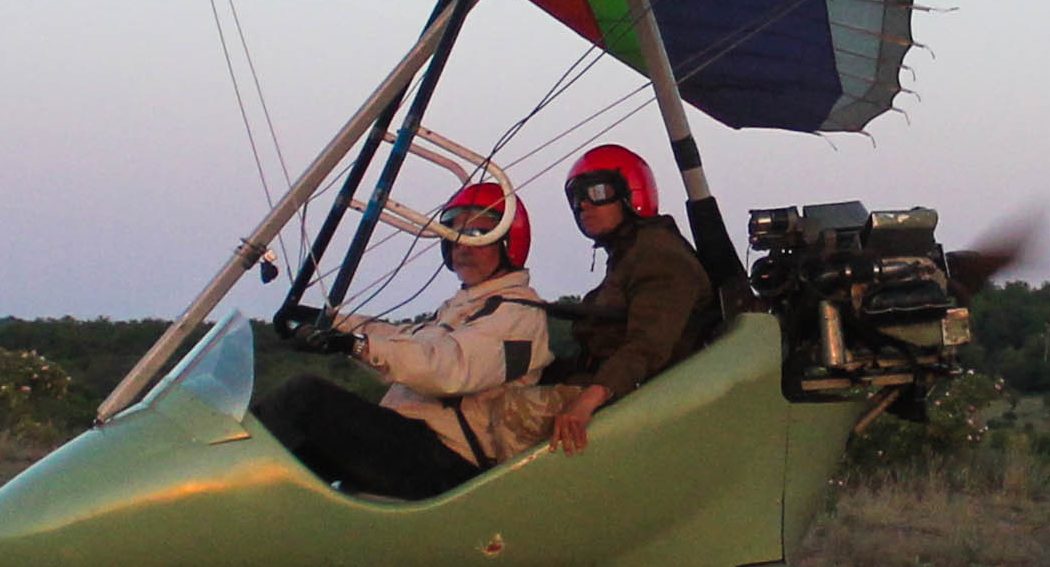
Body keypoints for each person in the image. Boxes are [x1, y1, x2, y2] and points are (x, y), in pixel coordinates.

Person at [252, 183, 560, 500]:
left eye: (477, 235)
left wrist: (357, 346)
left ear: (508, 244)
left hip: (451, 464)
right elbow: (403, 340)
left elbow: (449, 369)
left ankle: (232, 505)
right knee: (295, 453)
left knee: (304, 398)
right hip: (414, 442)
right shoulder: (466, 306)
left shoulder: (518, 314)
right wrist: (331, 324)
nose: (462, 247)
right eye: (454, 235)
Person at [544, 144, 717, 454]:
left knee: (494, 417)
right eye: (576, 198)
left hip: (635, 400)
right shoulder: (629, 255)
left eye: (596, 192)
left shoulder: (659, 255)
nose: (583, 205)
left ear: (631, 192)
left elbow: (648, 345)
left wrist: (591, 397)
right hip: (606, 387)